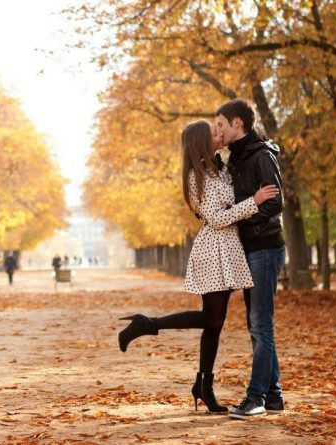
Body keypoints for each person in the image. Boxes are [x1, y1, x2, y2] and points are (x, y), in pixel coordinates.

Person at [117, 119, 279, 414]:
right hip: (212, 251)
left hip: (228, 251)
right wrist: (254, 201)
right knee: (210, 318)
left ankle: (203, 386)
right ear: (201, 142)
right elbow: (216, 218)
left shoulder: (218, 168)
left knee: (214, 323)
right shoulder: (196, 177)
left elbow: (229, 202)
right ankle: (147, 324)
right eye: (213, 132)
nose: (219, 134)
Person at [216, 98, 287, 419]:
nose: (218, 130)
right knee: (256, 325)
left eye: (220, 125)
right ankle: (273, 396)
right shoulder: (236, 158)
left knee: (261, 325)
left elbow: (276, 203)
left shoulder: (260, 155)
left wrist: (237, 218)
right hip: (250, 248)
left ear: (237, 124)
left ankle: (255, 397)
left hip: (266, 247)